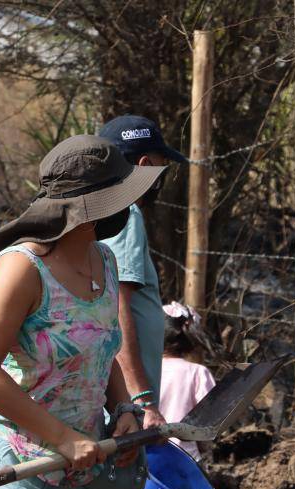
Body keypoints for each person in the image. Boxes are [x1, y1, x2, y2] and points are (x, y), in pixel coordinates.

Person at [0, 135, 167, 489]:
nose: (129, 207)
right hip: (17, 462)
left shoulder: (105, 261)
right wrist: (62, 437)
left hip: (89, 465)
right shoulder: (21, 269)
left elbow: (101, 351)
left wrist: (123, 408)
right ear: (87, 211)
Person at [98, 115, 187, 430]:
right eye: (163, 166)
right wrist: (141, 402)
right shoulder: (126, 215)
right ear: (147, 163)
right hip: (125, 410)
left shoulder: (99, 211)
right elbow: (117, 308)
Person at [158, 301, 216, 460]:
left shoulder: (141, 372)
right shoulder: (197, 373)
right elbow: (210, 421)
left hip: (144, 459)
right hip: (186, 459)